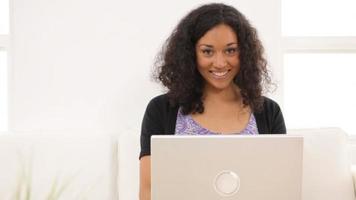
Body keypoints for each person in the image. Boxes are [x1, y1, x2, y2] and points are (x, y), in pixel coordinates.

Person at [139, 3, 286, 200]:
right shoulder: (161, 110)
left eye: (231, 50)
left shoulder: (268, 111)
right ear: (191, 54)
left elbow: (279, 187)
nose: (219, 63)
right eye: (207, 51)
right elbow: (149, 190)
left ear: (245, 53)